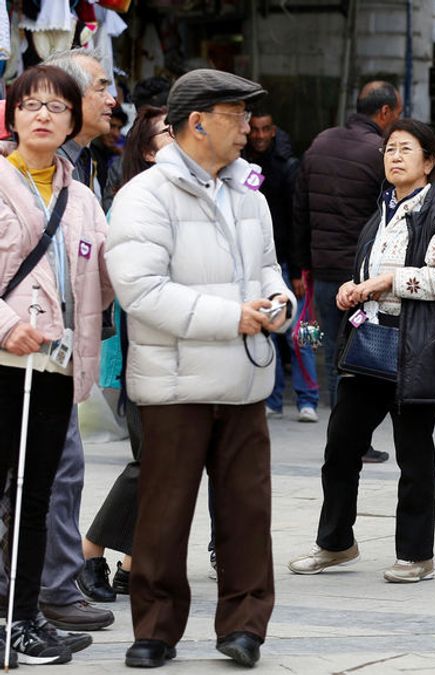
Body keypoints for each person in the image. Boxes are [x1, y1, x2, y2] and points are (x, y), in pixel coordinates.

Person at [106, 69, 295, 669]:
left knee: (247, 511)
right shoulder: (143, 196)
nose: (247, 128)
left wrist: (281, 304)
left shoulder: (251, 195)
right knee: (164, 514)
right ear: (197, 122)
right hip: (175, 382)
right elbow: (139, 290)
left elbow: (268, 270)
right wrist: (229, 317)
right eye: (236, 117)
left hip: (242, 379)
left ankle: (245, 627)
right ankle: (156, 629)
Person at [287, 119, 435, 582]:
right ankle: (335, 542)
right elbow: (370, 272)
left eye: (406, 149)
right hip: (371, 345)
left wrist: (387, 281)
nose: (395, 157)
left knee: (414, 454)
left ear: (430, 162)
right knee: (341, 445)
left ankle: (416, 555)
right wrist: (354, 289)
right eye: (389, 149)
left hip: (415, 351)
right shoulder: (381, 213)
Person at [0, 64, 113, 664]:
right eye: (30, 104)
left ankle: (24, 617)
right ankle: (8, 621)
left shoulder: (82, 196)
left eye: (56, 107)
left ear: (72, 120)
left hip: (53, 366)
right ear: (12, 114)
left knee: (36, 495)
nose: (42, 115)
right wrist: (6, 324)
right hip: (4, 360)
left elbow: (108, 278)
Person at [75, 105, 172, 604]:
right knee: (152, 461)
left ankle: (132, 565)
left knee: (167, 464)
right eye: (168, 134)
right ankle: (90, 551)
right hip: (146, 353)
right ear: (150, 151)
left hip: (187, 356)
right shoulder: (132, 203)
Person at [294, 81, 401, 441]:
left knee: (333, 356)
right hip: (360, 275)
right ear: (384, 112)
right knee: (362, 357)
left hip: (323, 271)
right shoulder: (379, 151)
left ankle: (341, 436)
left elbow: (301, 211)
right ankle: (353, 440)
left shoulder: (320, 143)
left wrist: (302, 266)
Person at [244, 109, 318, 423]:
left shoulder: (289, 167)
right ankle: (272, 398)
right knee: (268, 331)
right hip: (258, 260)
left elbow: (300, 219)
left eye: (265, 129)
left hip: (288, 262)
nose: (260, 136)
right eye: (255, 130)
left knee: (302, 332)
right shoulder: (242, 167)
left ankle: (309, 398)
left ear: (274, 131)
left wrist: (302, 267)